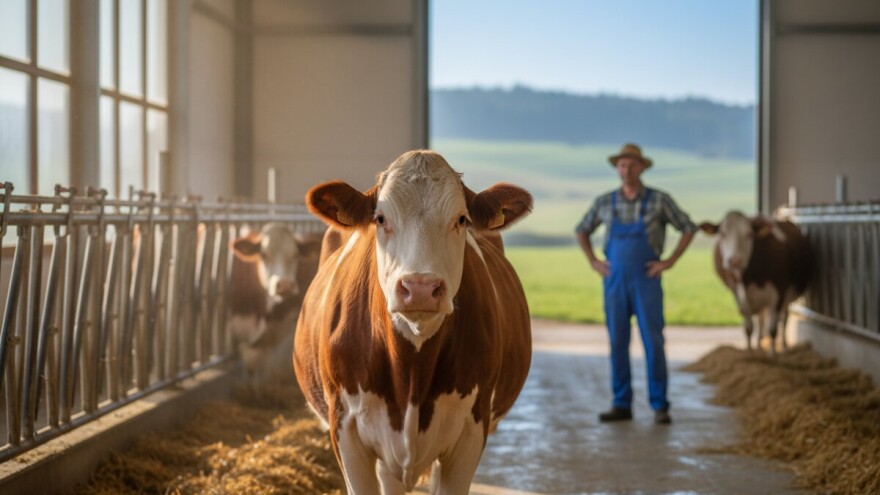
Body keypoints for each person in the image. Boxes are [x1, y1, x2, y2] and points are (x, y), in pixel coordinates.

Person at [575, 143, 696, 424]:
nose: (626, 170)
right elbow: (582, 229)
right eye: (621, 165)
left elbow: (688, 227)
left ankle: (660, 405)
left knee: (653, 341)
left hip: (646, 279)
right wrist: (594, 261)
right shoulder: (605, 202)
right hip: (614, 280)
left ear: (642, 167)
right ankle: (621, 404)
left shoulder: (659, 200)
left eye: (631, 165)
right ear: (617, 169)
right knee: (618, 341)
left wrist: (669, 262)